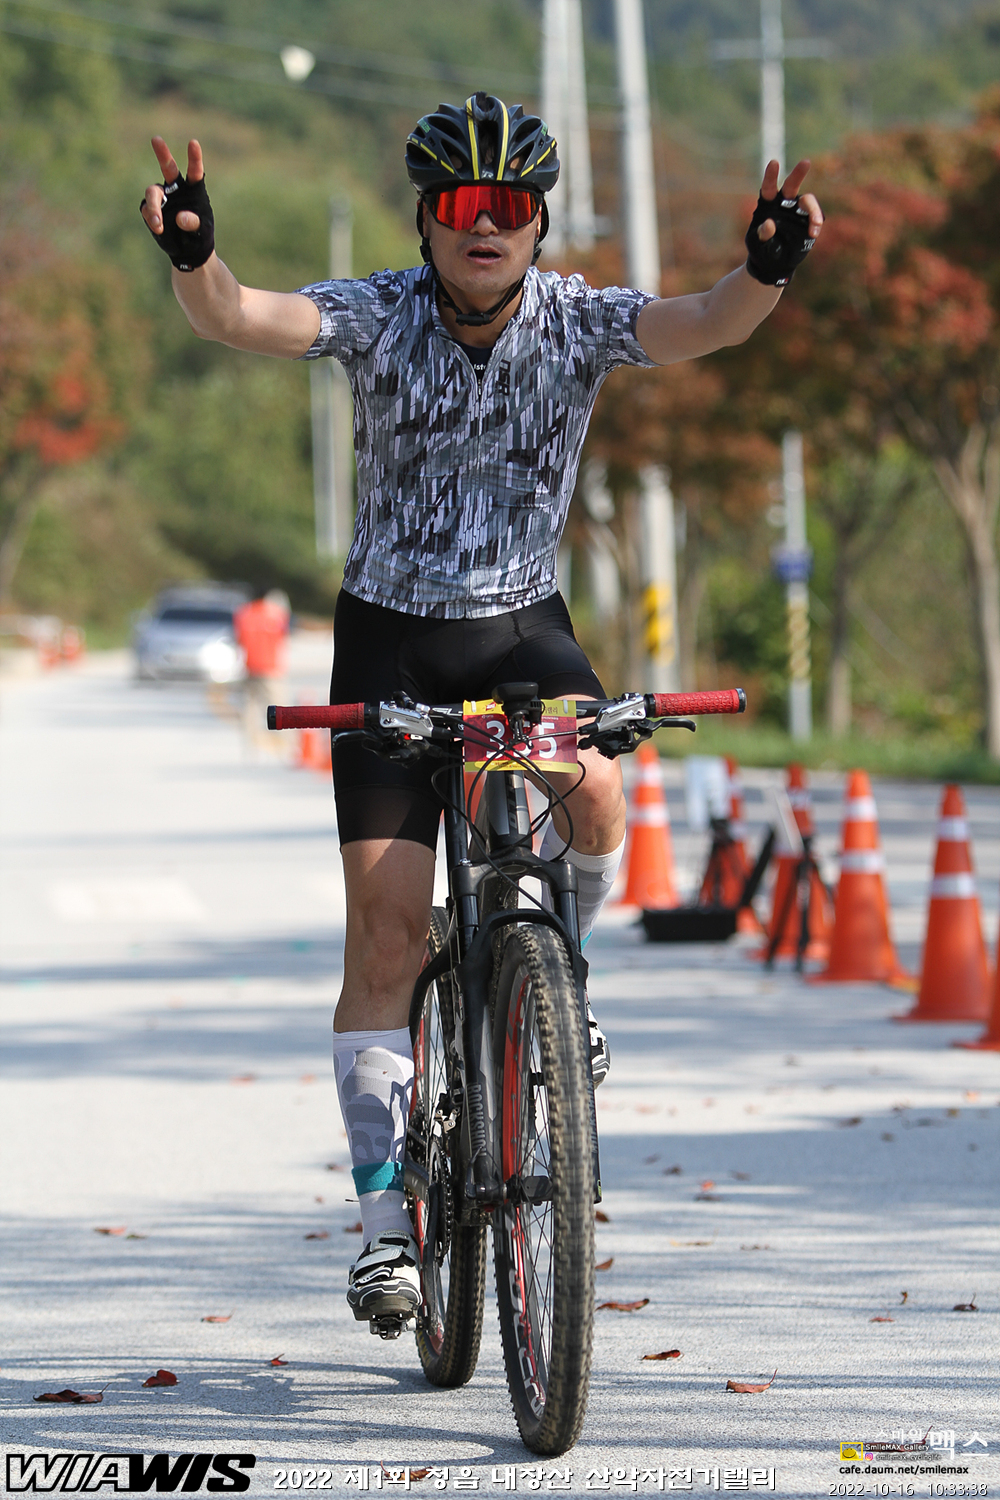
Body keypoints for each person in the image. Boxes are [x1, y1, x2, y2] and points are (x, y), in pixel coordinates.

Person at [141, 92, 823, 1327]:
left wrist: (764, 271)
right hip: (390, 641)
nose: (484, 225)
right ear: (426, 220)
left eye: (508, 205)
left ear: (536, 222)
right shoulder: (376, 314)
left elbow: (704, 323)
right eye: (460, 204)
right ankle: (384, 1229)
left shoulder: (576, 320)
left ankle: (559, 981)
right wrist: (196, 254)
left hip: (520, 631)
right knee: (386, 937)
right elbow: (242, 316)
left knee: (596, 786)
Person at [233, 588, 290, 751]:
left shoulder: (244, 614)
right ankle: (285, 742)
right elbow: (283, 636)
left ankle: (250, 741)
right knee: (279, 706)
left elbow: (239, 639)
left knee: (250, 706)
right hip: (270, 667)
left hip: (250, 666)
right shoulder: (276, 613)